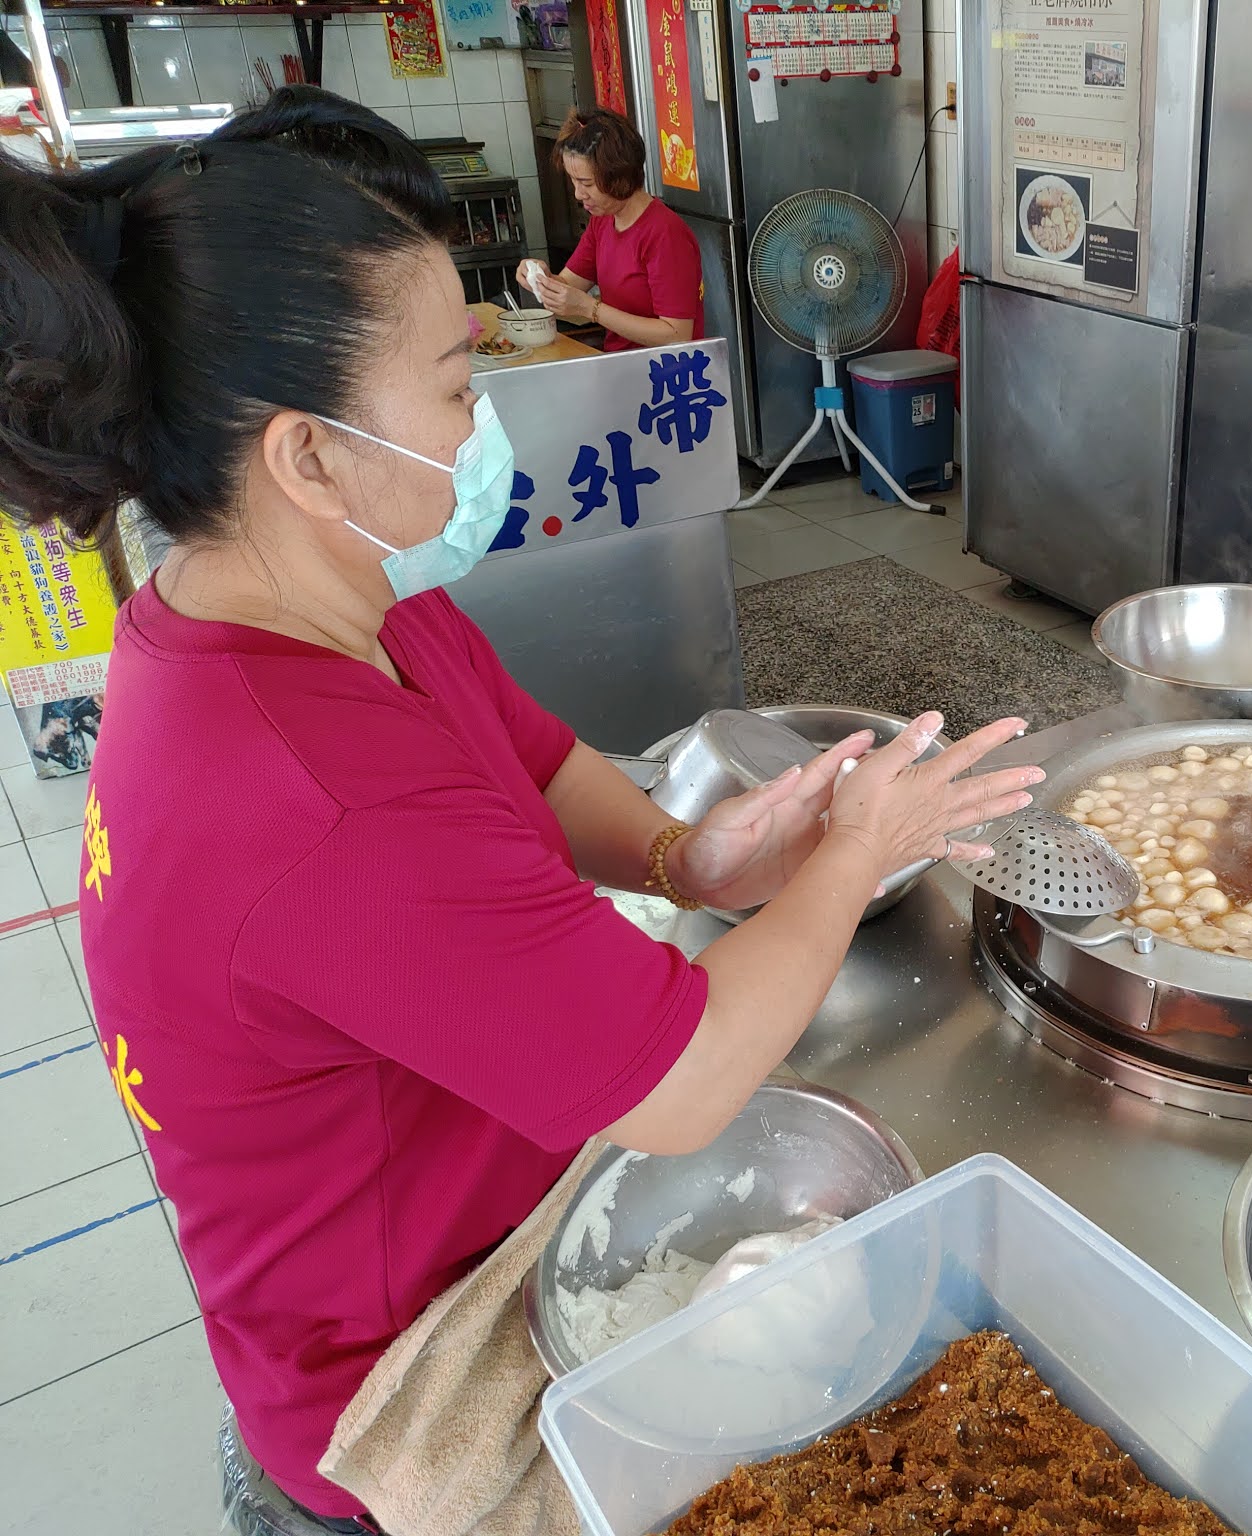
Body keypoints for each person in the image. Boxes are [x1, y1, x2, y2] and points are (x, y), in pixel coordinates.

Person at [0, 92, 1038, 1532]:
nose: (482, 421)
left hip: (470, 1200)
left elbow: (535, 763)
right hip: (400, 1382)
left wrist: (687, 855)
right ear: (307, 456)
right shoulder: (317, 800)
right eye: (453, 389)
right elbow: (683, 1088)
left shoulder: (322, 605)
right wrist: (859, 846)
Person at [525, 107, 704, 351]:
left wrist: (591, 309)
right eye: (573, 181)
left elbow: (677, 334)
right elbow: (568, 286)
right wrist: (540, 279)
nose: (578, 194)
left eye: (587, 183)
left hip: (666, 370)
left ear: (620, 177)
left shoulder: (665, 233)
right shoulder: (602, 221)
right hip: (621, 363)